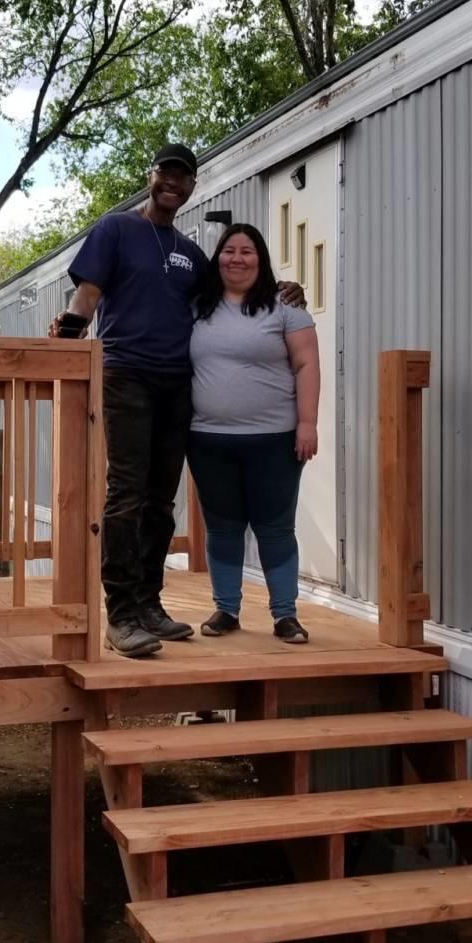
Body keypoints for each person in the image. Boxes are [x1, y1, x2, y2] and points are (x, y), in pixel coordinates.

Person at [51, 143, 303, 658]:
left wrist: (285, 288)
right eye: (165, 172)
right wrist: (68, 332)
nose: (173, 183)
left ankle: (149, 604)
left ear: (192, 187)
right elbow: (87, 296)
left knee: (161, 499)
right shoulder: (115, 229)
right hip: (126, 375)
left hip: (178, 384)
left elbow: (233, 284)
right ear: (151, 176)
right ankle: (121, 614)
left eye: (183, 176)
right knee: (126, 492)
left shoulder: (190, 253)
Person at [185, 223, 318, 643]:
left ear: (260, 259)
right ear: (217, 258)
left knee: (275, 529)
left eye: (247, 251)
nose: (237, 258)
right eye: (229, 250)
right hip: (208, 440)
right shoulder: (196, 306)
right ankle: (226, 610)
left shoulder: (286, 306)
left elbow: (306, 364)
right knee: (222, 529)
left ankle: (285, 615)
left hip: (275, 441)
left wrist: (308, 423)